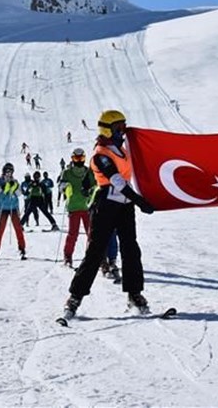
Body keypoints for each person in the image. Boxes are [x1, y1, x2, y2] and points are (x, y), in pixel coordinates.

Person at [63, 110, 155, 317]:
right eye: (117, 128)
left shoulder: (121, 149)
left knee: (131, 248)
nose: (121, 132)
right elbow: (117, 180)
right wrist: (140, 200)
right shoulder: (100, 154)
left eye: (123, 127)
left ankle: (134, 293)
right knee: (96, 251)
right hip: (106, 205)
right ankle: (74, 297)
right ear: (107, 129)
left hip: (124, 206)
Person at [58, 148, 97, 267]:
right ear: (72, 159)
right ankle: (68, 256)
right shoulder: (67, 172)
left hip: (87, 206)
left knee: (91, 233)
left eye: (81, 158)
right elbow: (60, 186)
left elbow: (94, 185)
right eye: (76, 158)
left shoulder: (88, 171)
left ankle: (92, 256)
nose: (79, 161)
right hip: (74, 206)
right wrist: (65, 186)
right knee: (73, 233)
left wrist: (91, 192)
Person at [0, 162, 26, 261]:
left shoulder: (14, 181)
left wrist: (14, 188)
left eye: (10, 171)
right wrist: (1, 187)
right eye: (7, 171)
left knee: (18, 228)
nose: (8, 173)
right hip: (3, 208)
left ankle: (22, 249)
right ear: (4, 171)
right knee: (0, 229)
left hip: (13, 207)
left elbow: (19, 193)